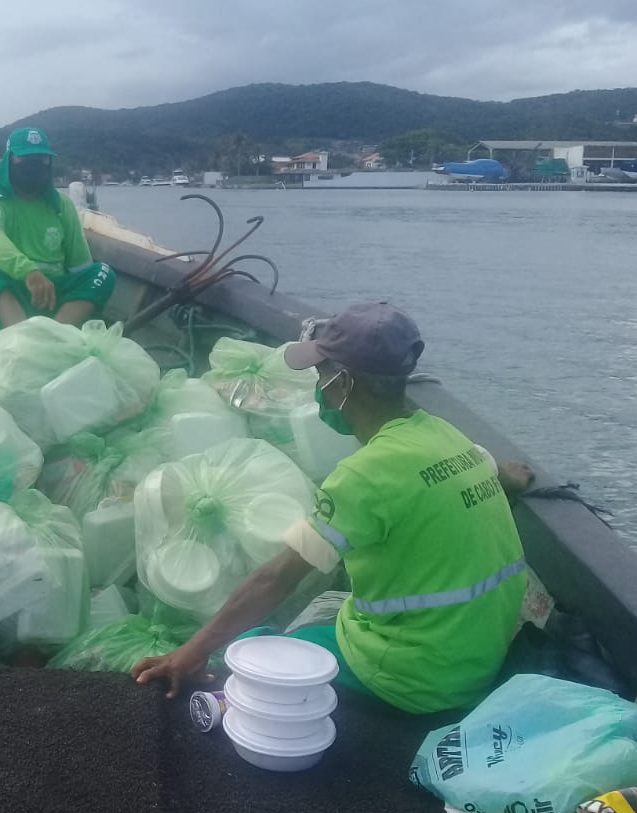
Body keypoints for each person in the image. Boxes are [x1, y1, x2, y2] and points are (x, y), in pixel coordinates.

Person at [132, 302, 534, 714]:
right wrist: (515, 478)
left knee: (245, 650)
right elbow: (502, 476)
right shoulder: (447, 436)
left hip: (413, 678)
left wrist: (190, 651)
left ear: (342, 382)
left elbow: (277, 579)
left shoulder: (364, 477)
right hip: (477, 660)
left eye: (321, 375)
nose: (318, 387)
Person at [0, 127, 115, 328]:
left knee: (103, 272)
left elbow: (81, 266)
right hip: (14, 290)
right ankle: (22, 339)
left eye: (41, 160)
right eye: (25, 159)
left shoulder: (61, 204)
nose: (34, 166)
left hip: (53, 294)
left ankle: (53, 335)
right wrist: (28, 272)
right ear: (8, 161)